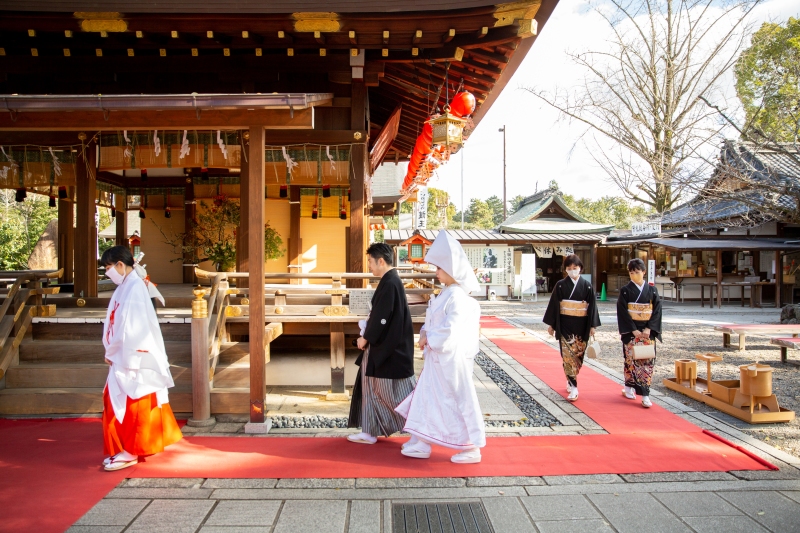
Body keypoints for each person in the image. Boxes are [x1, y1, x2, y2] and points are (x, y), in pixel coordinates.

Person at [395, 231, 485, 464]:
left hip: (450, 359)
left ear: (451, 269)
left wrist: (429, 337)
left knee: (457, 400)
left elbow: (450, 329)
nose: (436, 271)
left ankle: (471, 446)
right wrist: (426, 333)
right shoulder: (448, 293)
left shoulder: (457, 296)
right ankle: (421, 441)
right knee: (427, 398)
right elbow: (436, 323)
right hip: (438, 358)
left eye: (439, 268)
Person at [101, 246, 182, 471]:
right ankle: (124, 448)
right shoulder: (126, 285)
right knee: (120, 401)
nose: (107, 272)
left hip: (134, 356)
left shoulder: (135, 286)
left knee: (134, 403)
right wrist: (111, 349)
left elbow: (131, 327)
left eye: (108, 267)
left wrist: (113, 351)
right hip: (124, 353)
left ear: (120, 264)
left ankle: (131, 451)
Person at [347, 243, 416, 444]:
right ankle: (369, 431)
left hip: (389, 349)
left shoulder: (391, 283)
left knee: (395, 393)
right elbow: (379, 316)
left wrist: (366, 337)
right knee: (371, 389)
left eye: (370, 261)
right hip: (382, 347)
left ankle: (419, 431)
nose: (368, 265)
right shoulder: (390, 281)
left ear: (380, 261)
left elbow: (381, 318)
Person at [542, 254, 600, 402]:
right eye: (569, 268)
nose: (572, 270)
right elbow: (554, 305)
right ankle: (574, 387)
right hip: (565, 324)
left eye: (575, 267)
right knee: (568, 356)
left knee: (578, 356)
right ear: (565, 269)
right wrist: (552, 325)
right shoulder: (560, 285)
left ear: (580, 268)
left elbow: (592, 307)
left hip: (582, 324)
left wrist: (592, 325)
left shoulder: (587, 286)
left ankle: (570, 379)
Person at [616, 258, 663, 408]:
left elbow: (657, 311)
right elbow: (622, 311)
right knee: (630, 361)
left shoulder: (652, 290)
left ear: (644, 272)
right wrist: (633, 329)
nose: (634, 275)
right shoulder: (625, 290)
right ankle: (628, 388)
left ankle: (645, 395)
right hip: (632, 331)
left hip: (648, 332)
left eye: (637, 272)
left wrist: (649, 328)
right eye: (631, 273)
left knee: (646, 363)